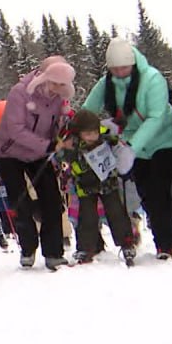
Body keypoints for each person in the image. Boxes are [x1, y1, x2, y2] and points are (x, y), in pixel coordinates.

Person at [81, 38, 172, 258]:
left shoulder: (153, 79)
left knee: (158, 190)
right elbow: (88, 110)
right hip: (131, 143)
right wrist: (85, 128)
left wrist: (132, 147)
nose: (119, 73)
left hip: (162, 141)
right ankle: (168, 234)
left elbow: (157, 117)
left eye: (124, 68)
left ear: (133, 63)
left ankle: (164, 243)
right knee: (145, 192)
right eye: (114, 69)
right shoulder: (106, 83)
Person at [0, 57, 75, 270]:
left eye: (62, 84)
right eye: (55, 82)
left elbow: (57, 124)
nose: (58, 88)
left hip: (40, 152)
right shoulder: (20, 93)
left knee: (52, 199)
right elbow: (15, 129)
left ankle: (54, 251)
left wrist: (63, 131)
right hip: (9, 152)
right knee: (21, 201)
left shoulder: (59, 99)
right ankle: (28, 247)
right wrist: (47, 145)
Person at [53, 110, 137, 265]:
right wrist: (60, 147)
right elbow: (59, 156)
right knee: (86, 218)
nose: (92, 136)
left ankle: (126, 242)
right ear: (79, 133)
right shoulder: (73, 145)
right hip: (85, 187)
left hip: (108, 184)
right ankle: (85, 248)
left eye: (94, 132)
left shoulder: (106, 139)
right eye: (87, 133)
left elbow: (119, 145)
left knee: (117, 213)